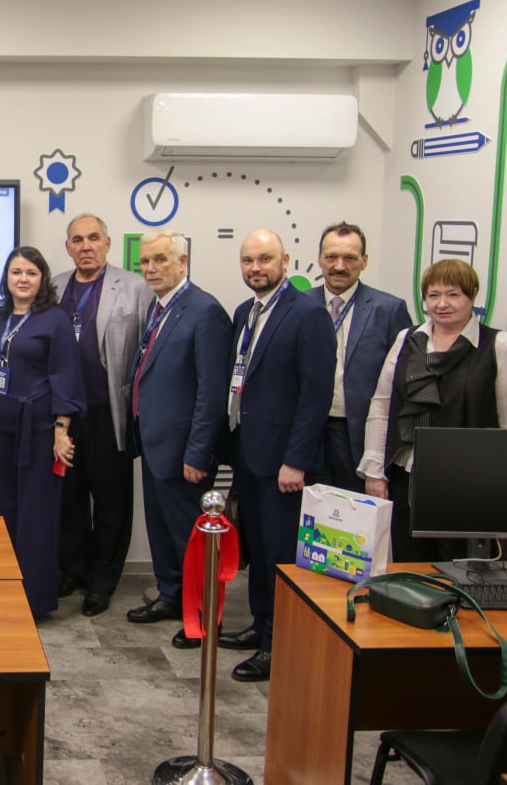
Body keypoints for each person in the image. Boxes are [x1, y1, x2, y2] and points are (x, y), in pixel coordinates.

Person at [219, 229, 335, 682]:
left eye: (265, 259)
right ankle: (259, 624)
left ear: (285, 261)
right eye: (248, 260)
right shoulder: (245, 312)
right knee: (260, 549)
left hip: (284, 462)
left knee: (281, 555)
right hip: (249, 454)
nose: (256, 268)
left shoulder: (308, 314)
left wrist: (296, 460)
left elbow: (315, 395)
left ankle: (277, 644)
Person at [359, 259, 507, 561]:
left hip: (468, 487)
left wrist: (506, 495)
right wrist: (374, 471)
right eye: (433, 295)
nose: (442, 304)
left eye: (453, 294)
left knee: (463, 570)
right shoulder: (407, 339)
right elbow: (382, 406)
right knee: (409, 572)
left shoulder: (498, 345)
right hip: (406, 479)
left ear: (472, 295)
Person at [124, 230, 232, 648]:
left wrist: (198, 452)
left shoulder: (204, 311)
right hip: (155, 443)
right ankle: (171, 596)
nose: (151, 269)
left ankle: (202, 615)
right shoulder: (160, 307)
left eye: (160, 260)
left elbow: (212, 391)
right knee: (162, 530)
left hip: (185, 450)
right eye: (145, 262)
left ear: (183, 262)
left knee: (190, 536)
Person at [51, 214, 151, 617]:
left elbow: (147, 350)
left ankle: (102, 581)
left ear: (107, 243)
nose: (86, 246)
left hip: (109, 412)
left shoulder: (135, 287)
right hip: (64, 416)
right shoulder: (55, 286)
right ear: (68, 247)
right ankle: (72, 570)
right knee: (69, 499)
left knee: (111, 502)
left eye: (93, 238)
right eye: (77, 240)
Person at [0, 247, 84, 619]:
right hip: (4, 430)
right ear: (6, 278)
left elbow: (66, 377)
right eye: (16, 272)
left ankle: (34, 601)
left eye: (31, 273)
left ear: (42, 280)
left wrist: (60, 432)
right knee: (6, 512)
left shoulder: (55, 320)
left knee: (36, 515)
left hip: (39, 430)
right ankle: (8, 590)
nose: (23, 279)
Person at [305, 222, 412, 492]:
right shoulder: (298, 305)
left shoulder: (389, 310)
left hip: (358, 437)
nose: (339, 266)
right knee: (305, 515)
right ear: (319, 258)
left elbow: (402, 387)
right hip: (307, 435)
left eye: (350, 258)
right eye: (331, 257)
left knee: (353, 514)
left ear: (364, 261)